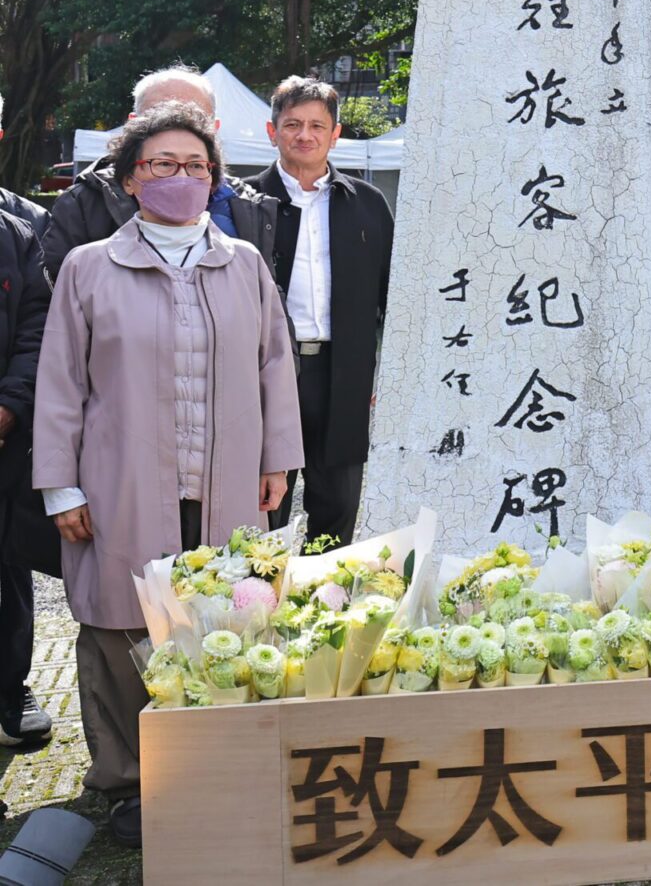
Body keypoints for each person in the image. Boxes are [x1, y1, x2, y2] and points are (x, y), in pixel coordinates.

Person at [34, 102, 299, 847]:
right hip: (117, 482)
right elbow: (60, 384)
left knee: (228, 618)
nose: (181, 177)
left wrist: (278, 459)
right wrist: (62, 486)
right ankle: (125, 783)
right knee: (118, 631)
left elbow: (274, 367)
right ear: (127, 180)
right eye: (161, 165)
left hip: (228, 480)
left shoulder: (242, 264)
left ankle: (221, 767)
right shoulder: (90, 268)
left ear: (213, 179)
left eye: (196, 166)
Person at [253, 78, 393, 547]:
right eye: (292, 124)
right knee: (261, 505)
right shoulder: (244, 203)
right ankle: (257, 606)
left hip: (344, 372)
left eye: (317, 125)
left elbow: (390, 297)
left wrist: (383, 374)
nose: (304, 135)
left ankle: (327, 609)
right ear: (272, 131)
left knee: (337, 507)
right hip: (267, 373)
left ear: (336, 135)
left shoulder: (368, 204)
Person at [44, 65, 279, 280]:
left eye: (193, 118)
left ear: (214, 129)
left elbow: (267, 304)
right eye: (159, 117)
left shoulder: (247, 205)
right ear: (133, 126)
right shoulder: (85, 204)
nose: (176, 131)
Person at [0, 148, 47, 754]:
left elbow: (39, 324)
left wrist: (12, 402)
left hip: (4, 435)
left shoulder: (20, 228)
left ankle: (11, 690)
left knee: (8, 571)